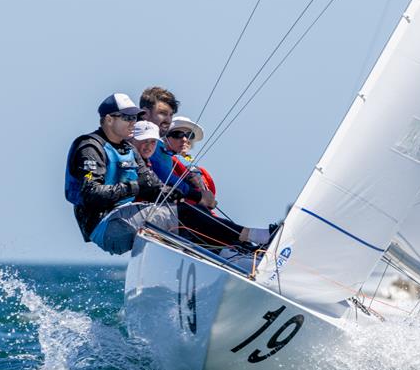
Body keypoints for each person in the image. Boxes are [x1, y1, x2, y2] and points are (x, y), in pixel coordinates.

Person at [65, 93, 273, 254]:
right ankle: (257, 235)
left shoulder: (128, 149)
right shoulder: (90, 147)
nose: (133, 122)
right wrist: (136, 187)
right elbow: (90, 193)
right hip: (106, 226)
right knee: (183, 214)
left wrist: (179, 194)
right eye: (127, 117)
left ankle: (240, 253)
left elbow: (152, 184)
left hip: (129, 218)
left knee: (184, 214)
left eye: (134, 117)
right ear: (109, 120)